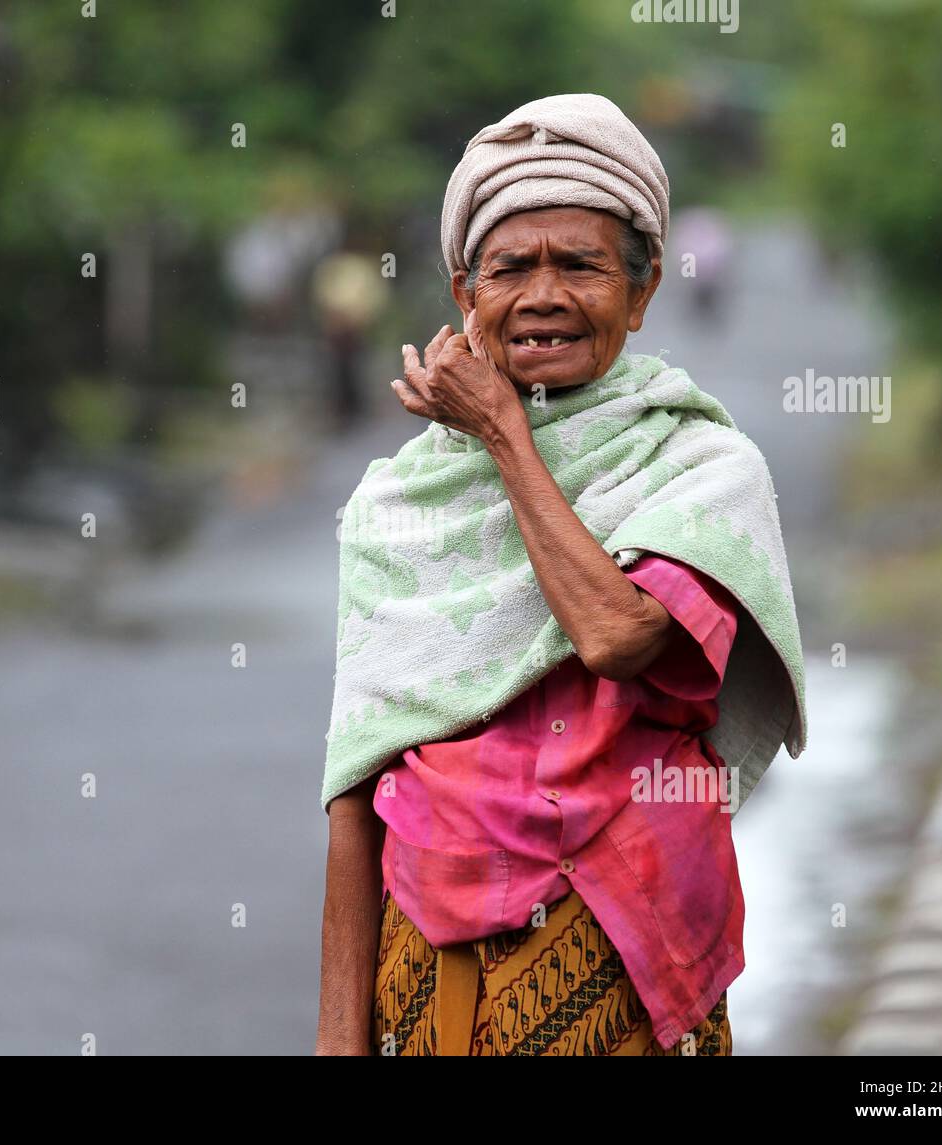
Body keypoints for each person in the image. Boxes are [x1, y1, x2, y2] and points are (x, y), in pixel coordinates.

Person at [315, 93, 807, 1057]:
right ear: (467, 293)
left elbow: (617, 636)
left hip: (621, 938)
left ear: (643, 288)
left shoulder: (703, 469)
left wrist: (502, 432)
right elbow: (355, 779)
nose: (543, 295)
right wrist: (339, 1039)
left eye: (579, 265)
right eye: (510, 268)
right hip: (425, 955)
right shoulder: (397, 505)